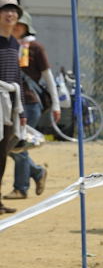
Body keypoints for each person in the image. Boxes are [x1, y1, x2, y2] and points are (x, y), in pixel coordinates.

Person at [3, 11, 60, 200]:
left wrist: (56, 105)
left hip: (29, 103)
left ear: (26, 27)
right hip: (9, 104)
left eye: (20, 25)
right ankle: (37, 172)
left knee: (18, 144)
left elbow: (48, 77)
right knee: (10, 146)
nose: (16, 27)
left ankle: (21, 187)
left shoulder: (35, 47)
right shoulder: (7, 43)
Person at [0, 0, 26, 215]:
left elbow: (18, 78)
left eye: (14, 11)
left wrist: (22, 109)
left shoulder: (15, 44)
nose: (10, 14)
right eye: (5, 11)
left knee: (2, 155)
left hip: (9, 108)